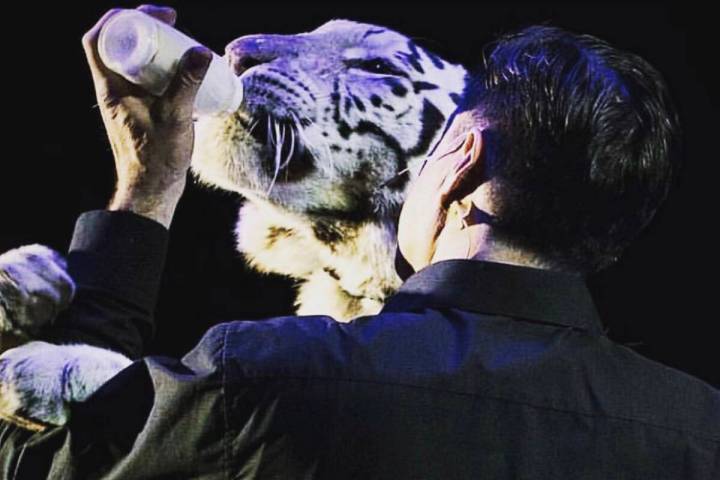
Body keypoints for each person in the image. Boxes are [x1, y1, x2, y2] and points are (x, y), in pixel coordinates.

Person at [1, 5, 718, 479]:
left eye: (374, 68)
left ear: (458, 161)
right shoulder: (699, 430)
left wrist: (142, 193)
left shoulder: (267, 379)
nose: (249, 50)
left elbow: (41, 462)